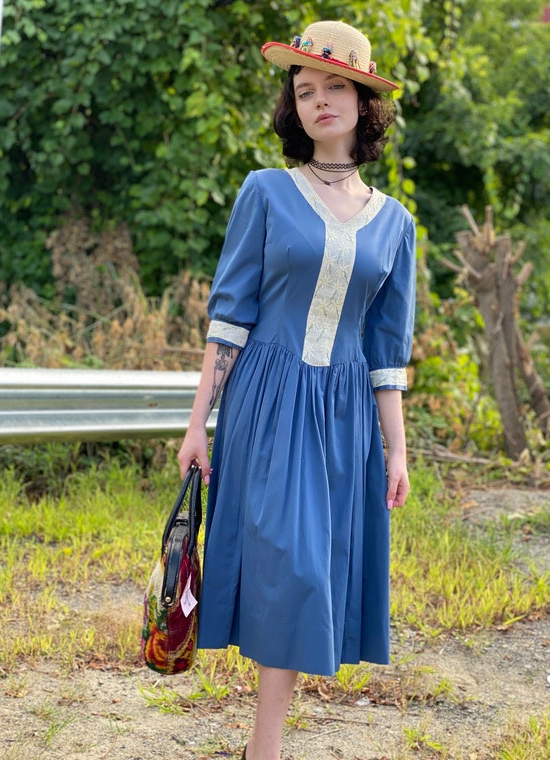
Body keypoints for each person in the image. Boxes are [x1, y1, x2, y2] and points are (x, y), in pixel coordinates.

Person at [178, 19, 416, 760]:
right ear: (294, 108)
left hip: (344, 416)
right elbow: (229, 319)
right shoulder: (266, 193)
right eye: (305, 90)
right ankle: (265, 749)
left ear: (364, 102)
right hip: (268, 403)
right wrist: (197, 426)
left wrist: (397, 449)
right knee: (289, 562)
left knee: (312, 572)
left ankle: (264, 746)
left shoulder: (397, 224)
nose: (319, 102)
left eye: (335, 87)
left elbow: (386, 351)